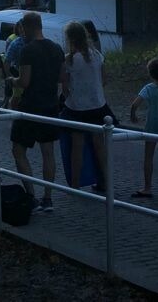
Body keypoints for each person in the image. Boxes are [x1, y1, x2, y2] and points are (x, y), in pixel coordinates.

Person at [9, 11, 64, 213]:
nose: (22, 32)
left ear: (28, 27)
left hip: (31, 106)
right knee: (47, 152)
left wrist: (12, 81)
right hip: (51, 105)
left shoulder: (28, 50)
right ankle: (47, 198)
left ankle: (31, 195)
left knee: (18, 150)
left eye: (23, 28)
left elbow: (24, 82)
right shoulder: (56, 48)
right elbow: (61, 78)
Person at [60, 21, 108, 190]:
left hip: (77, 107)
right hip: (97, 105)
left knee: (77, 147)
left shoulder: (69, 60)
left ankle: (75, 184)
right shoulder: (96, 55)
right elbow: (104, 80)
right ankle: (106, 180)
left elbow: (64, 86)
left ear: (70, 39)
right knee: (99, 145)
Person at [130, 57, 158, 198]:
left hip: (153, 125)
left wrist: (133, 116)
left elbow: (135, 105)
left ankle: (147, 187)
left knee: (148, 156)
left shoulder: (149, 88)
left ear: (151, 73)